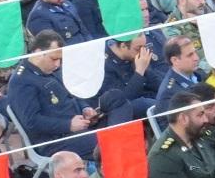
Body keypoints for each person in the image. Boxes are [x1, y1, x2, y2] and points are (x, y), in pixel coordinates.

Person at [8, 30, 131, 158]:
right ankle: (116, 146)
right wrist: (68, 125)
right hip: (56, 140)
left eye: (60, 59)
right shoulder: (22, 81)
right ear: (38, 53)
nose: (57, 64)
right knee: (104, 139)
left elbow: (71, 93)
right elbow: (31, 122)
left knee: (116, 98)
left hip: (80, 124)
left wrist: (85, 108)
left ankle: (115, 143)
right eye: (54, 59)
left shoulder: (51, 69)